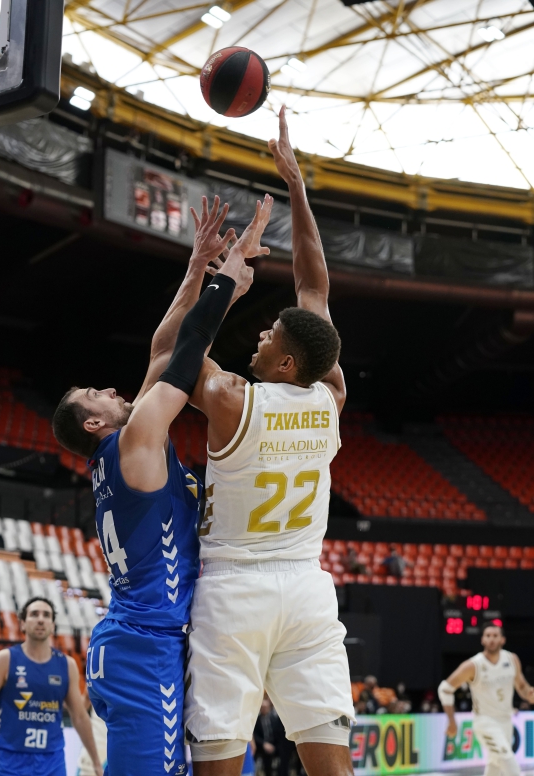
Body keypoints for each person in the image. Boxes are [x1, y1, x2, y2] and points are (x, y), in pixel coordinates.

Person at [51, 196, 272, 776]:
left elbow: (160, 348)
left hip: (150, 642)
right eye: (94, 395)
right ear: (94, 423)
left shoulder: (124, 450)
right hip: (145, 649)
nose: (107, 389)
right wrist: (228, 282)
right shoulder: (136, 440)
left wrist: (197, 265)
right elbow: (184, 356)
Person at [183, 106, 354, 776]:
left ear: (284, 363)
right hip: (308, 592)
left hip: (235, 592)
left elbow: (176, 351)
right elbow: (315, 287)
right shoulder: (329, 396)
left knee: (220, 762)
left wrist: (218, 274)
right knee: (330, 766)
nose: (261, 335)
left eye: (269, 338)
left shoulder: (230, 402)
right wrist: (297, 190)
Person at [0, 597, 102, 776]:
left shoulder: (66, 665)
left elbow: (79, 716)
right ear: (22, 624)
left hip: (51, 759)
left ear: (53, 625)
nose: (40, 619)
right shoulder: (5, 659)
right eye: (34, 614)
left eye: (46, 615)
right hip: (12, 758)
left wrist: (96, 761)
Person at [438, 622, 534, 776]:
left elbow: (522, 687)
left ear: (502, 639)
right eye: (488, 636)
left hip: (506, 722)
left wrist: (529, 694)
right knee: (508, 761)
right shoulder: (473, 665)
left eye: (495, 636)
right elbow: (445, 688)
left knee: (495, 768)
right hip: (485, 721)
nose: (491, 639)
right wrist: (451, 721)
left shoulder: (511, 659)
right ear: (482, 640)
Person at [253, 699, 281, 776]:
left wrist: (274, 746)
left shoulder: (274, 719)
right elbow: (254, 735)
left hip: (274, 746)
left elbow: (277, 734)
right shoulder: (255, 720)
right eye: (262, 707)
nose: (264, 709)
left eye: (266, 707)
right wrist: (264, 744)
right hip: (261, 746)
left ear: (269, 707)